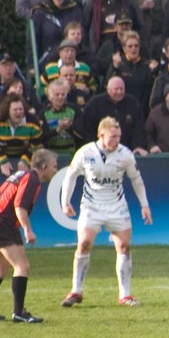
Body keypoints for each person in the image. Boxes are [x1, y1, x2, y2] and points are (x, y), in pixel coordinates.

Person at [60, 118, 153, 308]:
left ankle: (125, 295)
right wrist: (65, 202)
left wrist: (144, 205)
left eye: (119, 136)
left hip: (117, 206)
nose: (117, 140)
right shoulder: (85, 153)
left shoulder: (125, 154)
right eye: (113, 136)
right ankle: (76, 291)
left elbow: (136, 179)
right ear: (101, 135)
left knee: (124, 247)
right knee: (84, 244)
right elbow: (70, 176)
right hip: (91, 206)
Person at [0, 148, 58, 323]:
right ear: (43, 167)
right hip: (1, 223)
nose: (55, 170)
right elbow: (19, 206)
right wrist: (28, 230)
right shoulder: (32, 179)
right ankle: (19, 312)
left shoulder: (22, 175)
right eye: (53, 166)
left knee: (1, 268)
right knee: (22, 266)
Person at [77, 76, 147, 153]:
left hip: (126, 151)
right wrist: (95, 149)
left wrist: (138, 146)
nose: (119, 92)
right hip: (99, 151)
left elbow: (138, 128)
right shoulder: (95, 104)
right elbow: (88, 129)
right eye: (116, 89)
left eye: (121, 89)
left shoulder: (132, 103)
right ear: (108, 90)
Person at [0, 93, 43, 177]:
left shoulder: (33, 123)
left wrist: (26, 160)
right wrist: (3, 161)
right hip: (4, 156)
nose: (19, 112)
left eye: (21, 109)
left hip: (24, 157)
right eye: (15, 110)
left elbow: (37, 146)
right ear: (7, 111)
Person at [31, 0, 85, 69]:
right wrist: (32, 64)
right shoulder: (41, 12)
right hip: (48, 57)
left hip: (72, 56)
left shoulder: (74, 9)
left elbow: (81, 32)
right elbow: (35, 39)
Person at [39, 79, 80, 155]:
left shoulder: (74, 110)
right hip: (51, 156)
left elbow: (81, 135)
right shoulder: (43, 113)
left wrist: (69, 128)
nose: (60, 97)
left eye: (63, 94)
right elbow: (42, 139)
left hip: (72, 154)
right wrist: (58, 130)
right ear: (50, 97)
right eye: (57, 94)